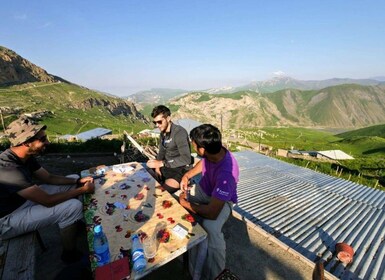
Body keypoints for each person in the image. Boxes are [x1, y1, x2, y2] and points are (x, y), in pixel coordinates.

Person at [0, 116, 95, 264]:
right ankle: (69, 255)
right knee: (73, 207)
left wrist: (77, 181)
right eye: (42, 139)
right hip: (6, 220)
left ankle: (72, 223)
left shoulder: (23, 155)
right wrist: (82, 190)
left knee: (72, 178)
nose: (47, 142)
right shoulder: (9, 170)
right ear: (26, 143)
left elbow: (49, 178)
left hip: (22, 201)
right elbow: (47, 201)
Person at [179, 124, 239, 280]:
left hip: (221, 201)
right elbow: (203, 162)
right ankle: (188, 259)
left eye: (194, 144)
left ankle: (216, 273)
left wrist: (186, 203)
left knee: (210, 227)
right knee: (176, 203)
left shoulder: (227, 175)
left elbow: (212, 213)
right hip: (204, 190)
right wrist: (187, 175)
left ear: (201, 149)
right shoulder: (214, 151)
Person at [146, 105, 192, 193]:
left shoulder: (179, 133)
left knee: (161, 192)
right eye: (155, 122)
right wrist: (157, 168)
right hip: (166, 166)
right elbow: (162, 152)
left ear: (168, 118)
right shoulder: (162, 133)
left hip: (180, 169)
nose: (157, 125)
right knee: (144, 178)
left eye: (159, 122)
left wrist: (161, 163)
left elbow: (186, 159)